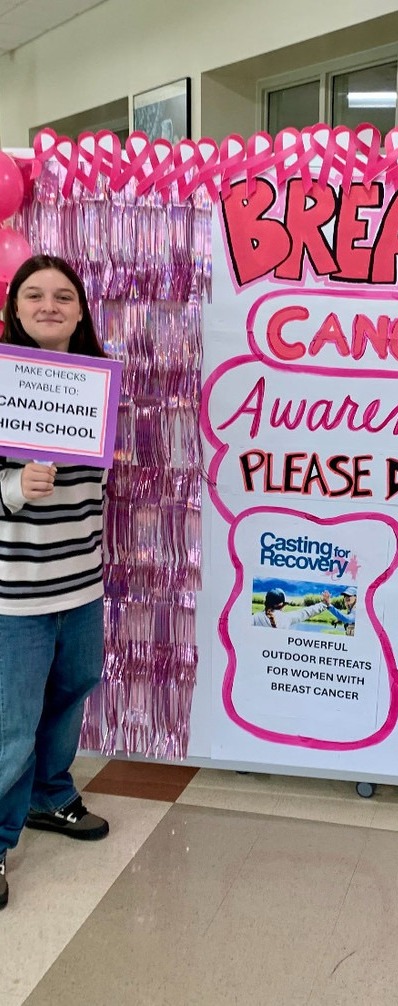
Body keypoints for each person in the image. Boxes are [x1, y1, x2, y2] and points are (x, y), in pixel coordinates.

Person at [0, 255, 111, 912]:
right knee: (11, 725)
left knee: (73, 690)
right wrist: (14, 485)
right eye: (34, 295)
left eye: (62, 296)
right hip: (16, 591)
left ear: (79, 310)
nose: (49, 305)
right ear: (14, 308)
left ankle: (49, 796)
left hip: (81, 584)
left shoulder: (97, 382)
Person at [252, 586, 331, 628]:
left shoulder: (255, 618)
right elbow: (307, 612)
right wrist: (324, 604)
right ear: (282, 604)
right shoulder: (286, 618)